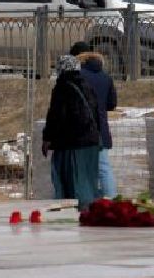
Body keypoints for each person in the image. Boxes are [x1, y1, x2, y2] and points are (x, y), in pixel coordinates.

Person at [41, 54, 101, 209]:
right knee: (89, 181)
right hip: (91, 142)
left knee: (73, 182)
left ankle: (75, 214)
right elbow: (96, 112)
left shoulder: (63, 86)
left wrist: (48, 138)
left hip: (72, 144)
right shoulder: (87, 85)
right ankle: (91, 211)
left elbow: (56, 115)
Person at [69, 40, 119, 197]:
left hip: (81, 130)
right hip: (101, 130)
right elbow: (112, 104)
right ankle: (110, 201)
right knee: (104, 168)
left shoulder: (75, 76)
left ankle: (85, 203)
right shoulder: (105, 77)